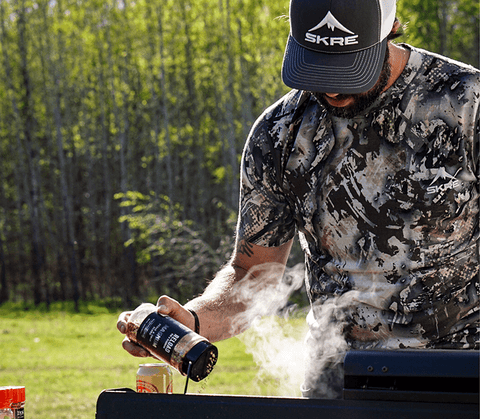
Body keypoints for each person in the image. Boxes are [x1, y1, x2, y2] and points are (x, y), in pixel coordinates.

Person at [117, 0, 479, 398]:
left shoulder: (465, 103)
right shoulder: (280, 134)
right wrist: (193, 321)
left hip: (461, 377)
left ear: (389, 30)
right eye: (318, 67)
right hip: (338, 385)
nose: (332, 87)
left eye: (348, 68)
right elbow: (253, 276)